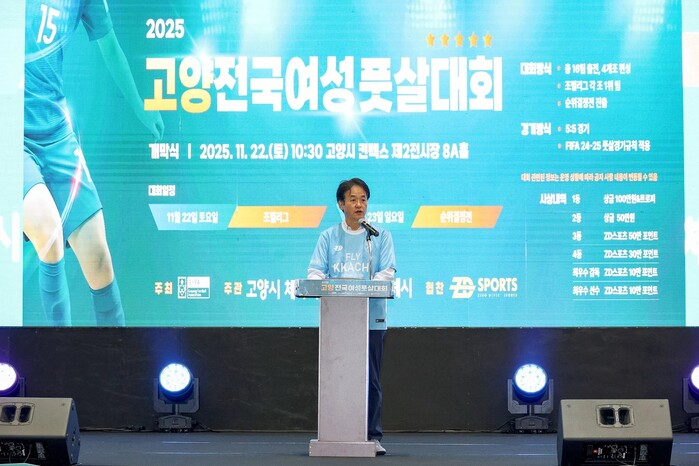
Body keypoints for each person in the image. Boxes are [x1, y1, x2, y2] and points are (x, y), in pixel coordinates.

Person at [24, 0, 164, 325]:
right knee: (49, 234)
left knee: (99, 260)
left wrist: (140, 107)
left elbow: (110, 47)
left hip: (57, 134)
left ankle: (116, 354)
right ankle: (60, 353)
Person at [307, 178, 396, 455]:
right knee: (337, 377)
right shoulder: (328, 237)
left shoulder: (379, 236)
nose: (359, 205)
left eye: (364, 199)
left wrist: (364, 290)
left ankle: (372, 436)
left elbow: (387, 272)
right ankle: (335, 432)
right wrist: (326, 286)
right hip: (338, 322)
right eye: (353, 199)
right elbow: (315, 273)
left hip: (371, 321)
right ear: (341, 204)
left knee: (371, 380)